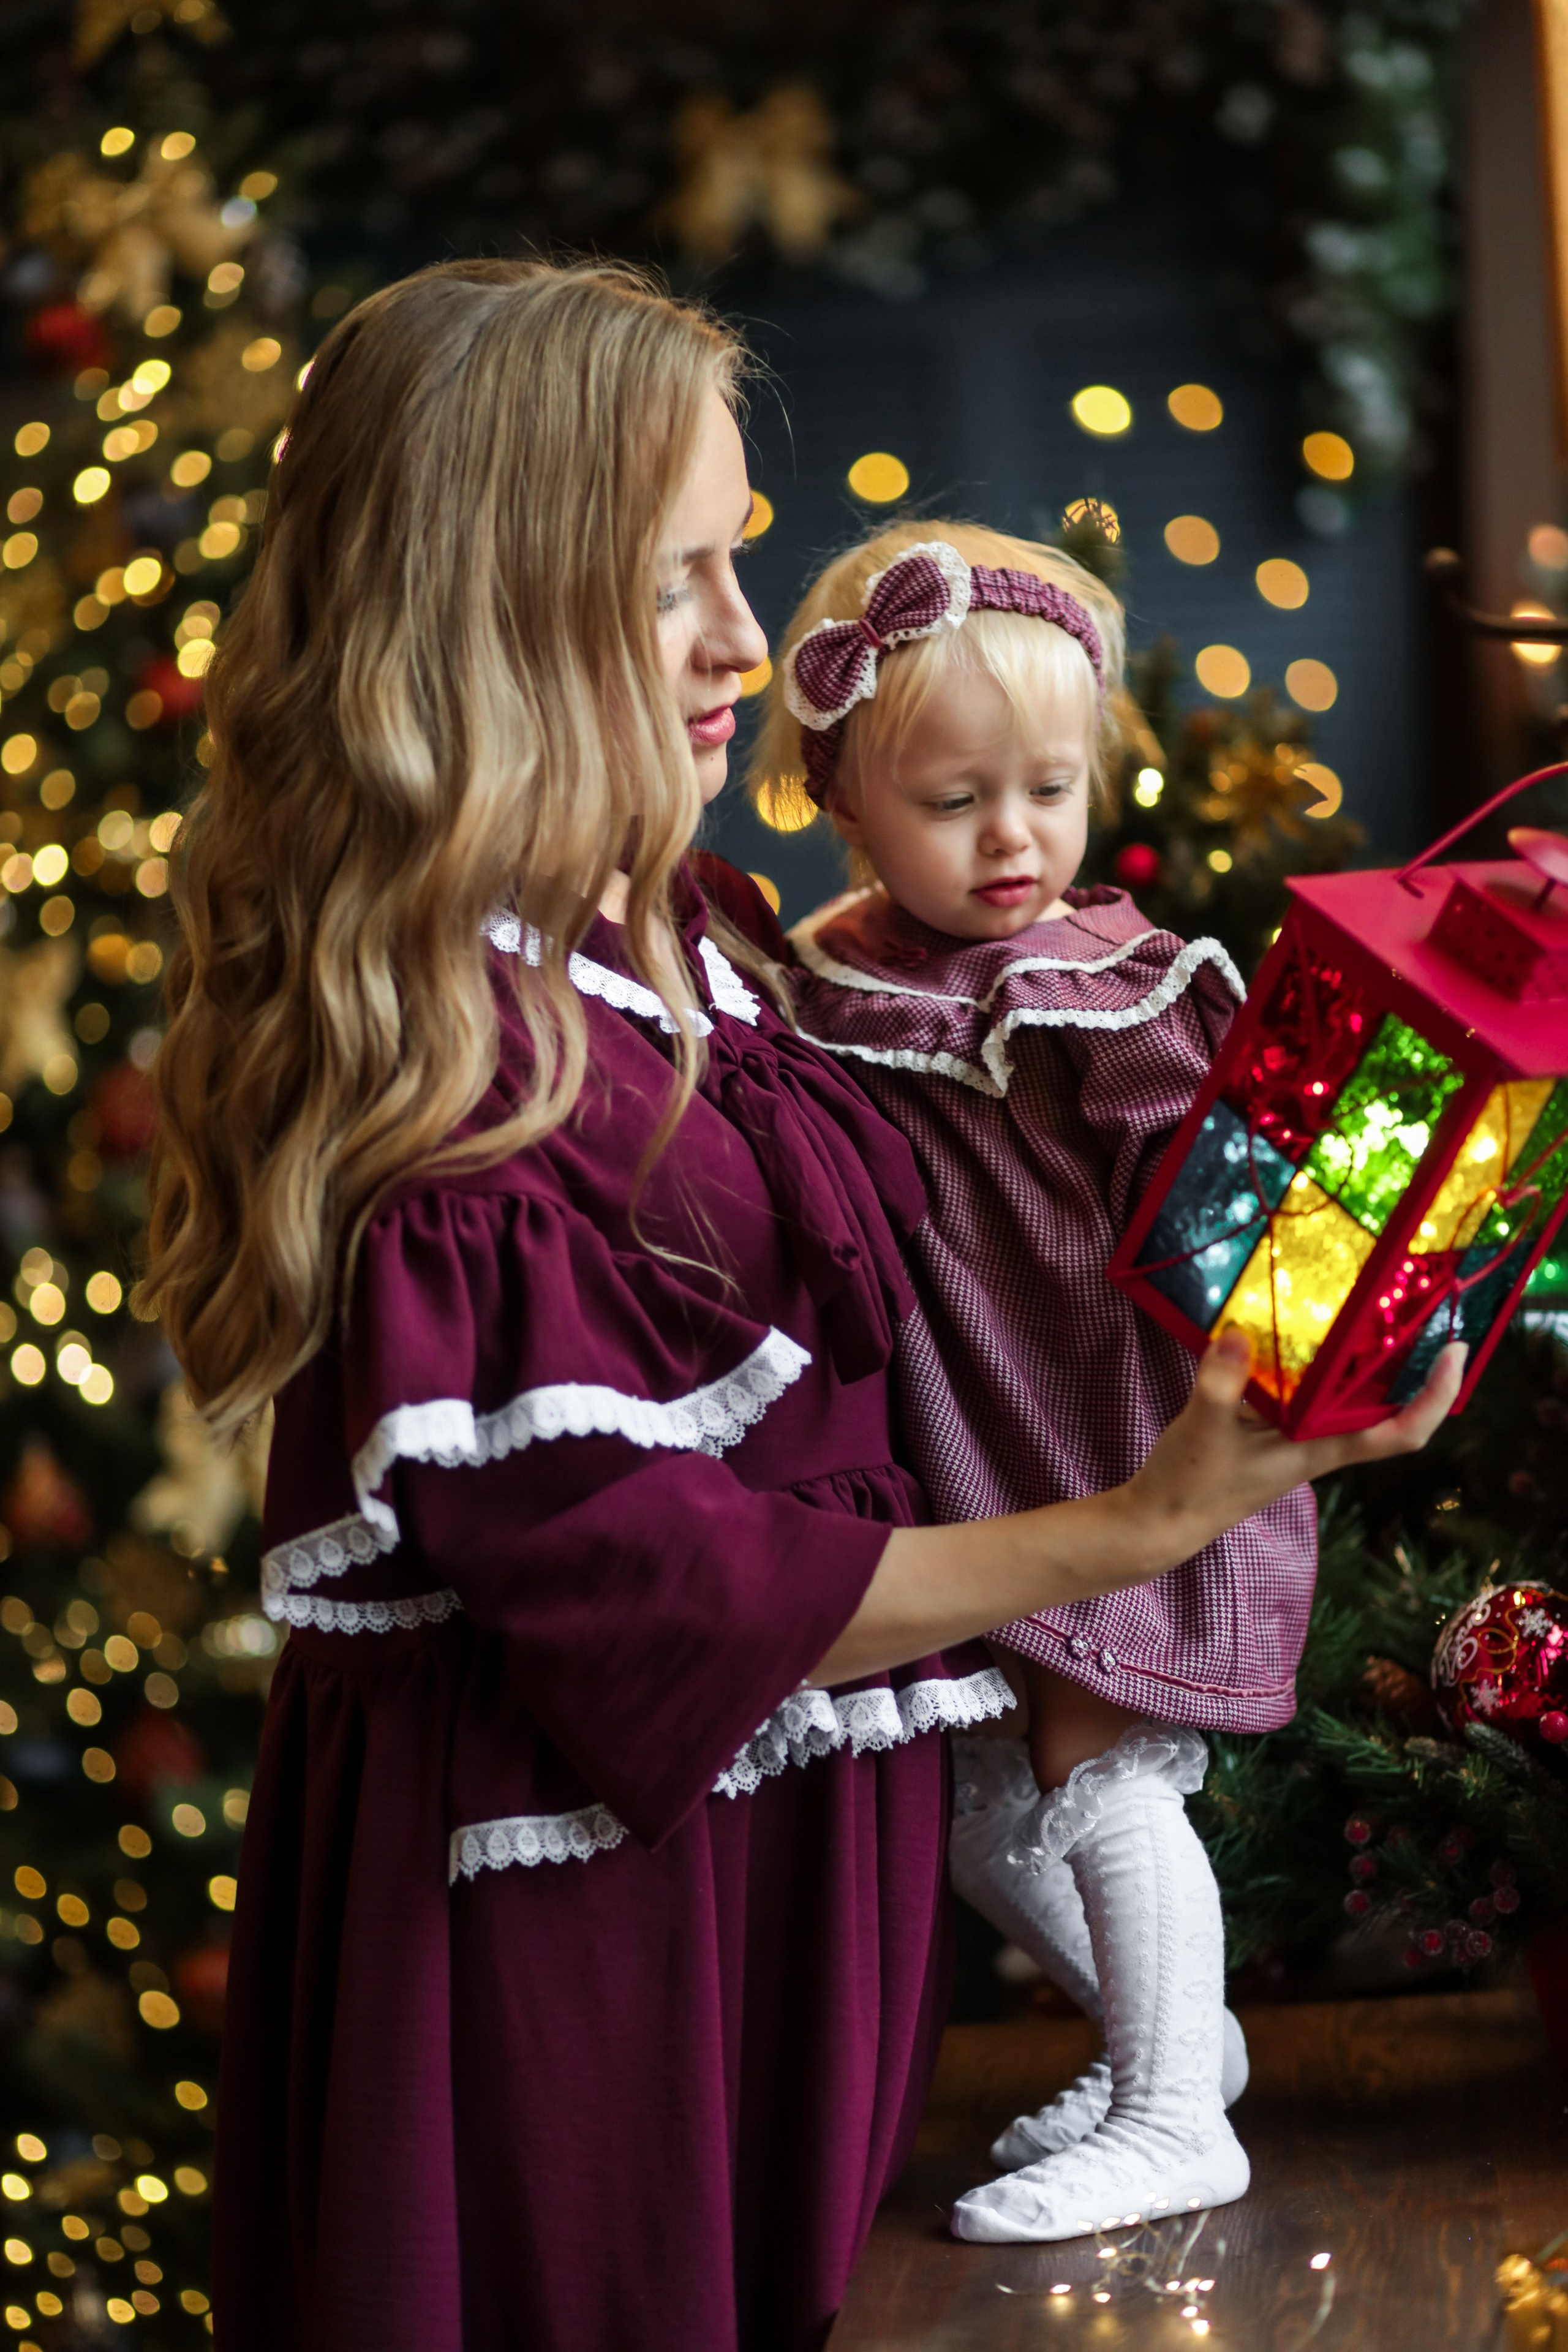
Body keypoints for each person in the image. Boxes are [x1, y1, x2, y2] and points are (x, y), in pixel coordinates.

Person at [140, 260, 1461, 2352]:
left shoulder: (700, 934)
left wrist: (1337, 1261)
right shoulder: (465, 1069)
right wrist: (1130, 1528)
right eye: (678, 581)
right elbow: (662, 1584)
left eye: (740, 564)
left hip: (764, 1947)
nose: (750, 647)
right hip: (575, 1970)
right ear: (495, 609)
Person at [764, 522, 1325, 2242]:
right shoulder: (834, 975)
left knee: (1099, 1764)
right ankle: (1181, 2040)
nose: (1015, 841)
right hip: (972, 1453)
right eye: (955, 803)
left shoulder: (1102, 986)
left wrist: (1287, 1339)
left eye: (1052, 792)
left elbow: (1226, 1186)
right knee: (971, 1793)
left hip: (1117, 1432)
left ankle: (1174, 2115)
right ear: (844, 796)